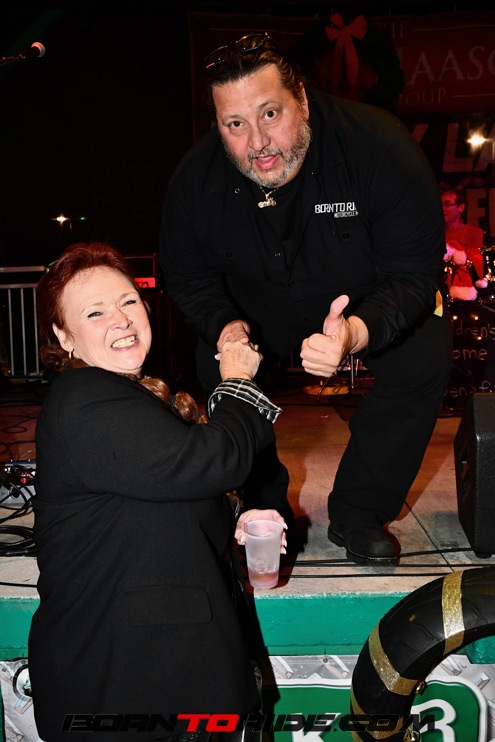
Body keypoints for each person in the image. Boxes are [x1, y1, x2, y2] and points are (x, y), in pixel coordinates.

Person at [159, 33, 452, 566]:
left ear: (303, 99)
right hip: (259, 309)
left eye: (270, 114)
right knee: (215, 362)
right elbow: (188, 278)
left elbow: (414, 273)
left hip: (363, 299)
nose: (257, 143)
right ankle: (263, 505)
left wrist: (355, 332)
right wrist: (226, 328)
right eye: (235, 125)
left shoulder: (378, 146)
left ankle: (361, 512)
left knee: (424, 350)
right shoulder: (195, 180)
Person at [29, 242, 286, 741]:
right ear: (64, 336)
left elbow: (175, 488)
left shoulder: (132, 397)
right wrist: (236, 380)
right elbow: (214, 461)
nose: (121, 320)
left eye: (128, 301)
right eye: (95, 312)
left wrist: (238, 513)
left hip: (169, 675)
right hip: (124, 683)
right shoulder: (85, 399)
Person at [441, 188, 488, 301]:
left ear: (461, 207)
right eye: (440, 204)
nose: (442, 208)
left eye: (447, 204)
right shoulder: (434, 234)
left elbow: (478, 264)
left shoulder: (475, 233)